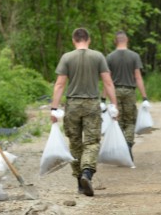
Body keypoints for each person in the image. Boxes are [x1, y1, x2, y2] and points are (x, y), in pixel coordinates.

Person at [50, 27, 118, 197]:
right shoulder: (98, 56)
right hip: (92, 105)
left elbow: (59, 85)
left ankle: (79, 180)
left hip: (72, 105)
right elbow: (108, 83)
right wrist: (113, 105)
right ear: (89, 40)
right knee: (92, 142)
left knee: (75, 142)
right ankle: (87, 173)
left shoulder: (67, 57)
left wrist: (54, 108)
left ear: (74, 40)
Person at [106, 31, 147, 160]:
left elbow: (108, 79)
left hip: (115, 91)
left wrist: (103, 97)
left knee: (117, 120)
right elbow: (138, 77)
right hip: (130, 91)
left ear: (115, 41)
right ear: (127, 40)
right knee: (130, 121)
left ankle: (120, 146)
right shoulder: (134, 56)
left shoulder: (110, 57)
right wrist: (144, 97)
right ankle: (128, 144)